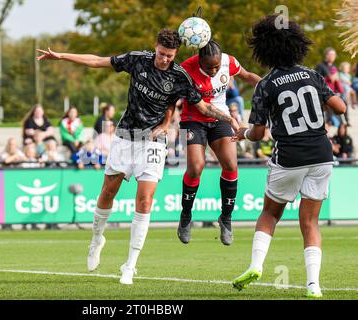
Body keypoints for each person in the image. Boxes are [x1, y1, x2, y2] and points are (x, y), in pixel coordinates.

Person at [37, 28, 239, 285]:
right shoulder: (137, 59)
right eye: (162, 53)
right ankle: (97, 238)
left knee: (144, 201)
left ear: (175, 55)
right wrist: (62, 56)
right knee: (107, 193)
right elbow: (98, 61)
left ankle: (130, 265)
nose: (164, 59)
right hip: (124, 137)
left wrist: (228, 118)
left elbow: (202, 105)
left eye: (170, 56)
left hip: (153, 143)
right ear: (155, 47)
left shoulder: (179, 76)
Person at [231, 15, 346, 298]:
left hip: (289, 157)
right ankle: (313, 286)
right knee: (310, 222)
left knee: (270, 213)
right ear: (297, 45)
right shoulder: (313, 75)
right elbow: (341, 107)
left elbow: (258, 134)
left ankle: (256, 265)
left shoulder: (266, 84)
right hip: (321, 154)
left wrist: (242, 134)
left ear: (265, 50)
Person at [177, 40, 261, 246]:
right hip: (192, 121)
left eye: (216, 66)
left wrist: (268, 85)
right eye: (209, 67)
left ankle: (226, 218)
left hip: (219, 120)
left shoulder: (229, 61)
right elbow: (203, 107)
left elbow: (248, 76)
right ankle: (186, 216)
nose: (214, 70)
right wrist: (231, 119)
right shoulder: (186, 70)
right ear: (199, 61)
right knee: (196, 167)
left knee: (231, 165)